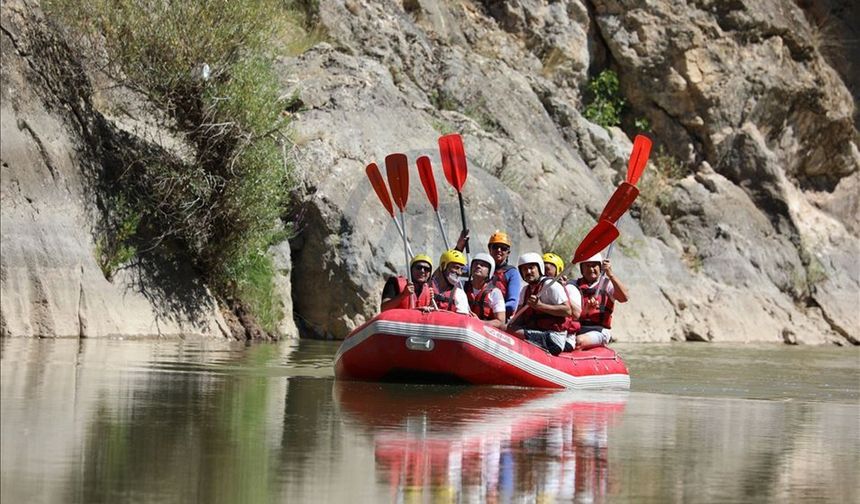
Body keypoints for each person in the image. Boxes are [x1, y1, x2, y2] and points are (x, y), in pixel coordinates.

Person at [507, 253, 572, 356]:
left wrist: (540, 306)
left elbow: (567, 311)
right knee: (506, 328)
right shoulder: (525, 290)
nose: (528, 272)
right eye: (524, 269)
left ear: (539, 268)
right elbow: (518, 317)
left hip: (553, 338)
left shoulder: (551, 285)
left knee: (510, 331)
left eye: (531, 268)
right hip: (536, 330)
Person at [574, 253, 629, 349]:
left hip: (600, 330)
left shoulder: (607, 284)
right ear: (582, 269)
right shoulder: (574, 285)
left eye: (594, 265)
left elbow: (624, 298)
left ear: (600, 268)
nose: (591, 269)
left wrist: (610, 274)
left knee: (578, 341)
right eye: (587, 266)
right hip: (577, 328)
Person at [543, 252, 582, 350]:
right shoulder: (537, 288)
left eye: (547, 269)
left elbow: (576, 314)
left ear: (558, 271)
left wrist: (563, 289)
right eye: (541, 268)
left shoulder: (570, 288)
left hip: (565, 338)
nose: (544, 273)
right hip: (543, 331)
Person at [486, 231, 523, 320]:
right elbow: (455, 268)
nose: (499, 250)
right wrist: (459, 247)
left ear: (508, 252)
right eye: (495, 247)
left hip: (499, 318)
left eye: (503, 248)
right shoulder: (480, 268)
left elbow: (512, 303)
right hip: (478, 314)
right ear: (490, 249)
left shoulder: (512, 273)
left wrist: (494, 311)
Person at [464, 253, 506, 327]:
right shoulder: (462, 286)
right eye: (476, 264)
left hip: (483, 331)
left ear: (489, 272)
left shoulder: (495, 293)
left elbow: (501, 322)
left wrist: (479, 322)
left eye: (482, 265)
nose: (478, 266)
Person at [429, 249, 470, 315]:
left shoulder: (459, 294)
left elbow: (462, 320)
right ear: (443, 266)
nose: (459, 272)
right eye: (456, 267)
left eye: (461, 269)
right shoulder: (427, 287)